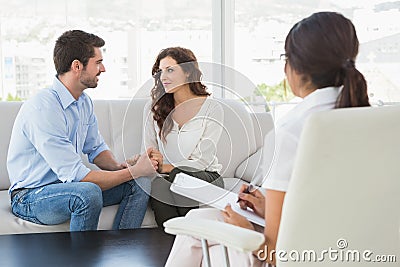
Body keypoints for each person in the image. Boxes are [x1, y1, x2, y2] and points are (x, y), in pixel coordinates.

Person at [165, 11, 370, 267]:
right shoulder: (374, 122)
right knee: (198, 218)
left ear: (294, 66)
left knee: (194, 231)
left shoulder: (295, 129)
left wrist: (245, 229)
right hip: (357, 250)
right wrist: (266, 208)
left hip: (305, 256)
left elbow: (275, 255)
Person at [7, 30, 158, 231]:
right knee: (87, 193)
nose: (103, 69)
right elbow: (78, 177)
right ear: (77, 66)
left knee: (139, 184)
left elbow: (95, 148)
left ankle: (121, 250)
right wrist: (134, 171)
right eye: (98, 62)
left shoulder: (83, 102)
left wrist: (120, 167)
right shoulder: (43, 108)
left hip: (67, 189)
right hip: (31, 197)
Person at [142, 47, 225, 227]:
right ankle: (173, 243)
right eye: (160, 72)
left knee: (180, 176)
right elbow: (149, 152)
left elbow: (202, 161)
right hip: (166, 176)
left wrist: (165, 167)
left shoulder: (212, 108)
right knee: (158, 186)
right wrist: (154, 162)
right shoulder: (154, 108)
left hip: (206, 175)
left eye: (170, 70)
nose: (163, 77)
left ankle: (192, 236)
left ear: (188, 72)